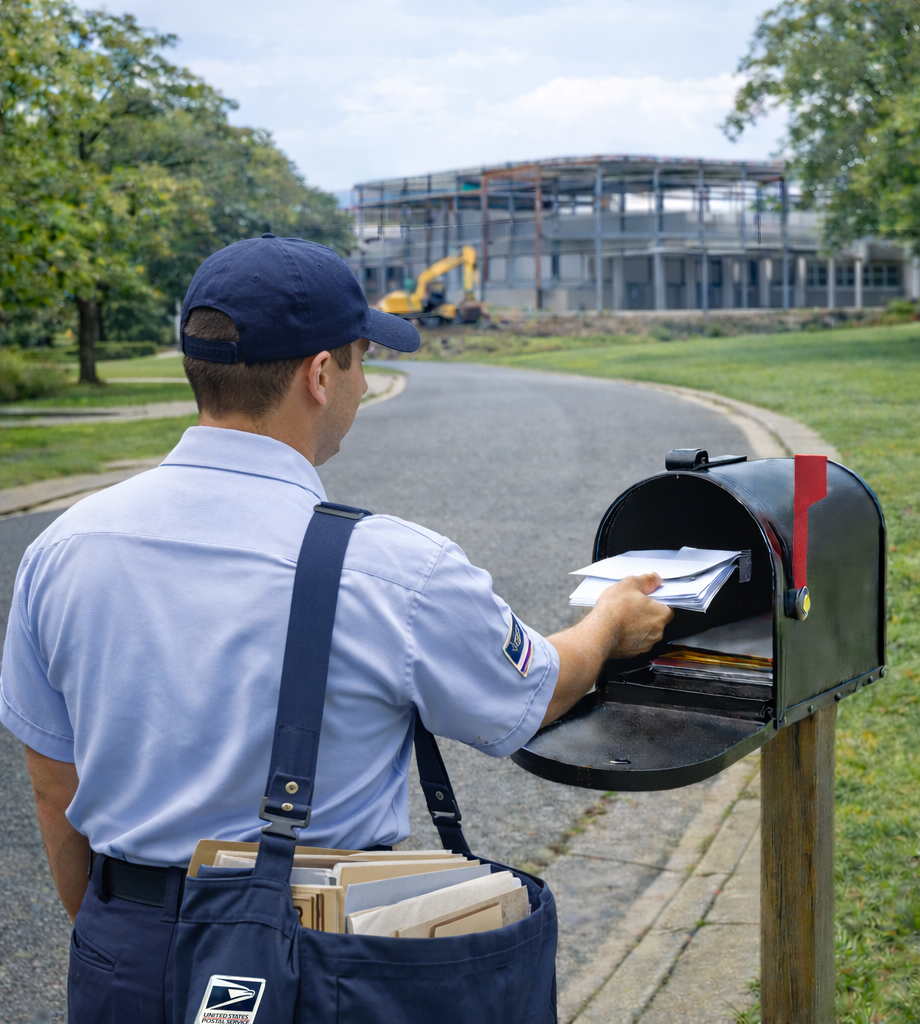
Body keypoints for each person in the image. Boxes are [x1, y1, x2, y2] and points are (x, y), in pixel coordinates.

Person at [1, 234, 672, 1022]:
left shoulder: (64, 547)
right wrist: (610, 621)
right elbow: (536, 691)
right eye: (359, 359)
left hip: (124, 949)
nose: (361, 381)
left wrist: (125, 937)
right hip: (312, 956)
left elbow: (54, 786)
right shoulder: (393, 566)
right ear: (322, 375)